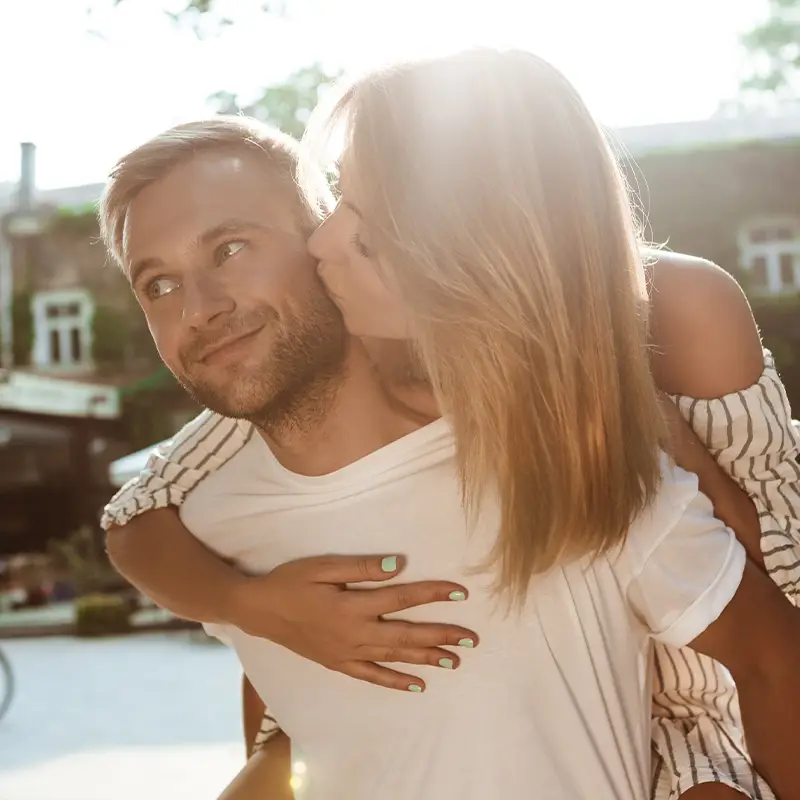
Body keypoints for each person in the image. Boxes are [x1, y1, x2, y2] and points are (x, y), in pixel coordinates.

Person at [99, 51, 800, 800]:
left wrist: (641, 422)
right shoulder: (253, 459)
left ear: (459, 248)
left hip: (721, 721)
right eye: (339, 200)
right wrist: (257, 611)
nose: (326, 240)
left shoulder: (650, 341)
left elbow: (776, 599)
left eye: (363, 222)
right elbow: (140, 521)